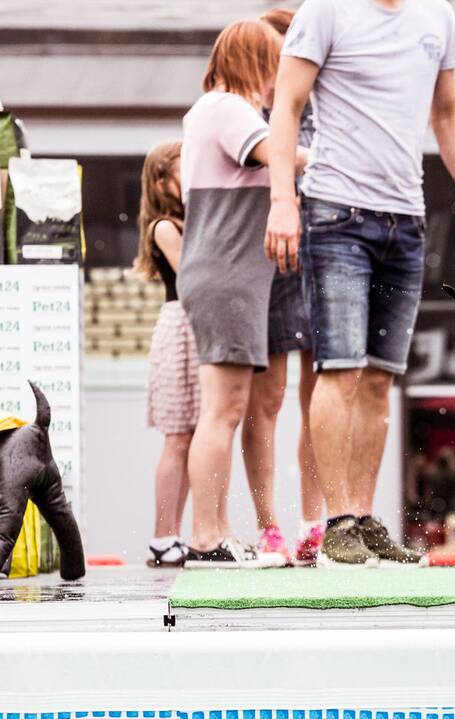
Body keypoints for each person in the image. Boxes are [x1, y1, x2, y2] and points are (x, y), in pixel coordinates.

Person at [264, 0, 455, 563]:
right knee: (340, 369)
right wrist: (282, 200)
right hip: (335, 214)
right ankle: (337, 520)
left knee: (378, 379)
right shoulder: (326, 11)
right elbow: (286, 105)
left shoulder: (437, 15)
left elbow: (447, 112)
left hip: (406, 220)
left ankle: (364, 520)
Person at [177, 19, 306, 567]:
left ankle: (218, 531)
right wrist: (335, 155)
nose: (281, 75)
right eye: (275, 62)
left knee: (225, 410)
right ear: (256, 61)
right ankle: (207, 536)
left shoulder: (209, 111)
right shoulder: (229, 109)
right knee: (223, 410)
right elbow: (280, 153)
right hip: (227, 277)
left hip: (224, 276)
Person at [235, 7, 325, 566]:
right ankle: (269, 526)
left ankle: (316, 524)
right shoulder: (245, 111)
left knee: (322, 399)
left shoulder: (326, 103)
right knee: (266, 398)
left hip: (328, 253)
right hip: (268, 256)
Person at [134, 140, 197, 568]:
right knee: (178, 438)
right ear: (161, 181)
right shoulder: (164, 227)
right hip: (181, 329)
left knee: (191, 439)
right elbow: (191, 276)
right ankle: (162, 535)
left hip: (196, 328)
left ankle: (173, 533)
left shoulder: (189, 222)